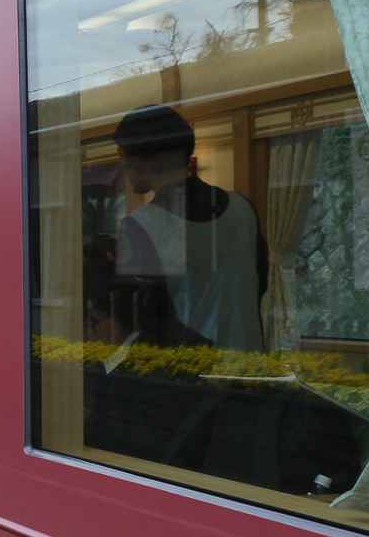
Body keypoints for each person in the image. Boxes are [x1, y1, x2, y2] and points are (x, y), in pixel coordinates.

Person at [108, 105, 267, 352]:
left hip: (191, 366)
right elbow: (260, 285)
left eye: (123, 156)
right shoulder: (242, 208)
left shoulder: (142, 224)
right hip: (250, 361)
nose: (122, 168)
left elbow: (146, 320)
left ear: (143, 160)